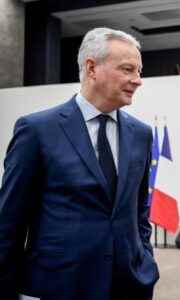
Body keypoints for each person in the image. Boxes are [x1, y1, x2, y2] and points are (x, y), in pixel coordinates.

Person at [0, 27, 159, 300]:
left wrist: (144, 261)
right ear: (92, 68)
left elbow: (139, 211)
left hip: (128, 287)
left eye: (139, 71)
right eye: (127, 69)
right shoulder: (37, 130)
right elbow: (9, 222)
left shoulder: (142, 135)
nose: (137, 80)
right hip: (57, 288)